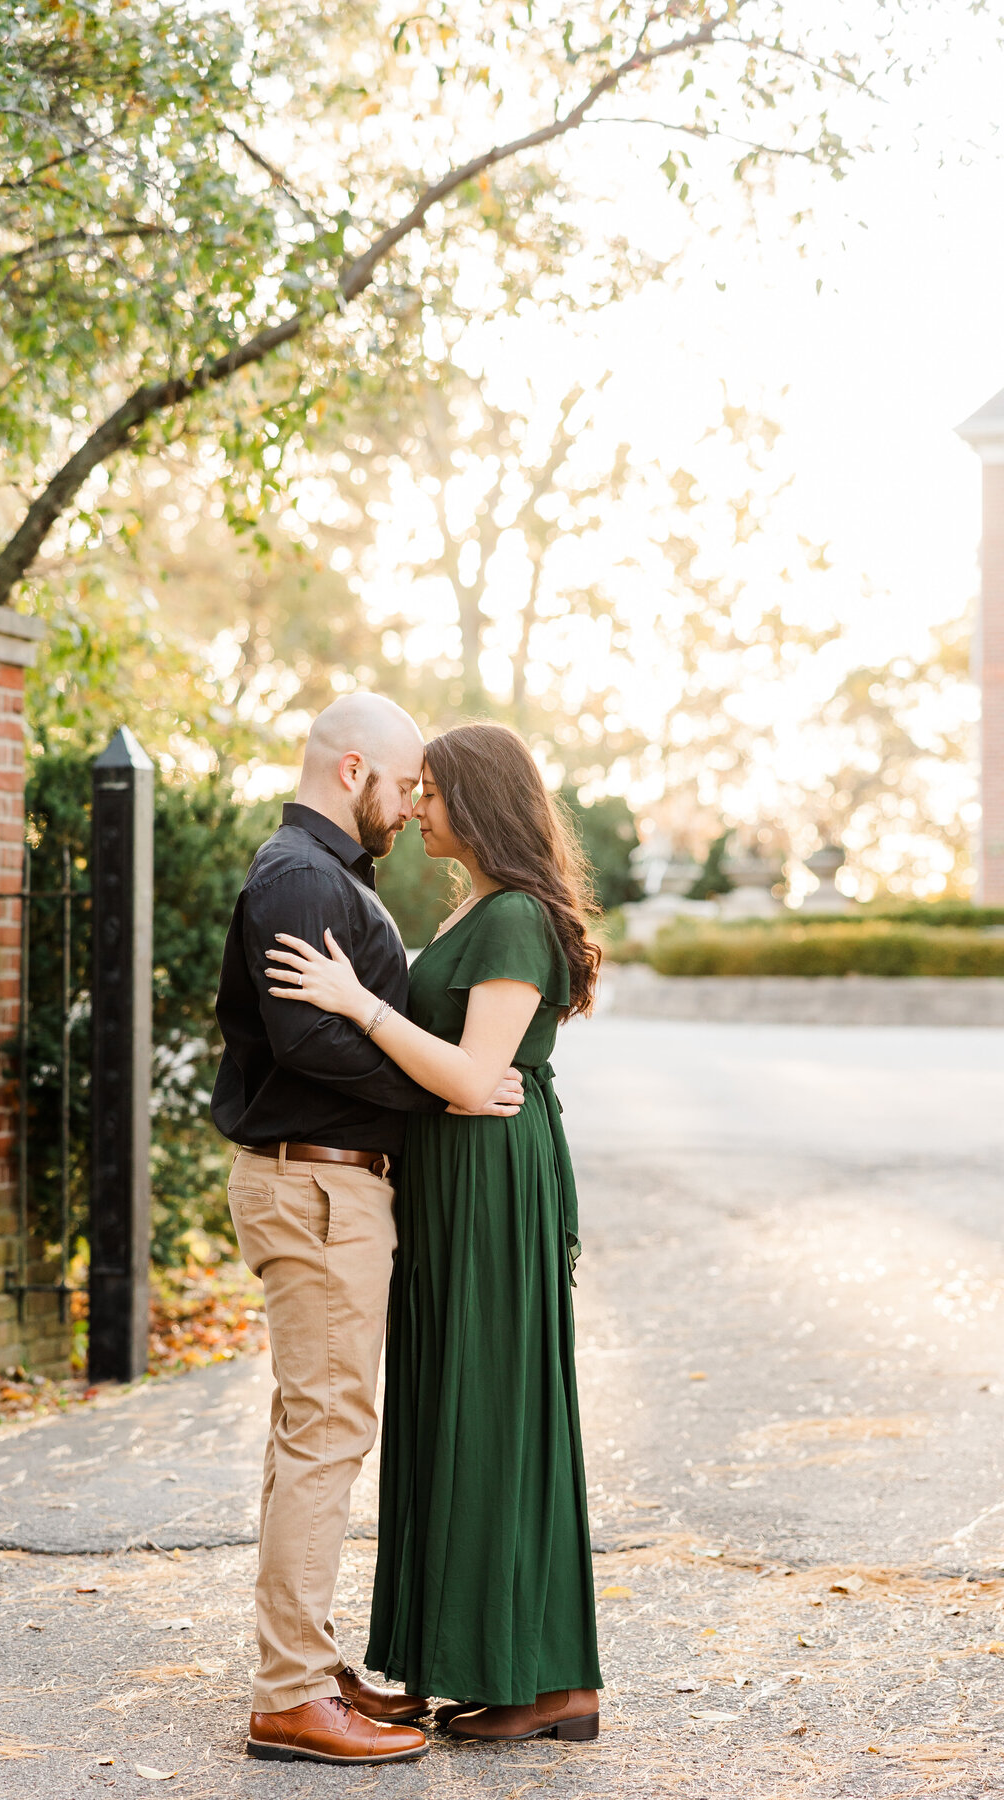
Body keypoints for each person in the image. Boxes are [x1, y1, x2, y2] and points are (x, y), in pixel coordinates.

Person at [265, 720, 603, 1745]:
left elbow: (467, 1081)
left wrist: (357, 1004)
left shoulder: (511, 920)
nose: (416, 809)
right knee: (463, 1406)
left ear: (480, 803)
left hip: (492, 1183)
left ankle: (546, 1682)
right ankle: (500, 1664)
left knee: (495, 1410)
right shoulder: (478, 907)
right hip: (456, 1182)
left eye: (434, 793)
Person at [211, 695, 526, 1767]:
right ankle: (290, 1695)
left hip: (327, 1189)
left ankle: (303, 1661)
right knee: (328, 1432)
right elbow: (307, 1044)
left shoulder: (326, 875)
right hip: (318, 1189)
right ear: (355, 770)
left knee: (313, 1427)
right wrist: (443, 1095)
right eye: (403, 786)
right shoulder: (301, 876)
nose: (410, 807)